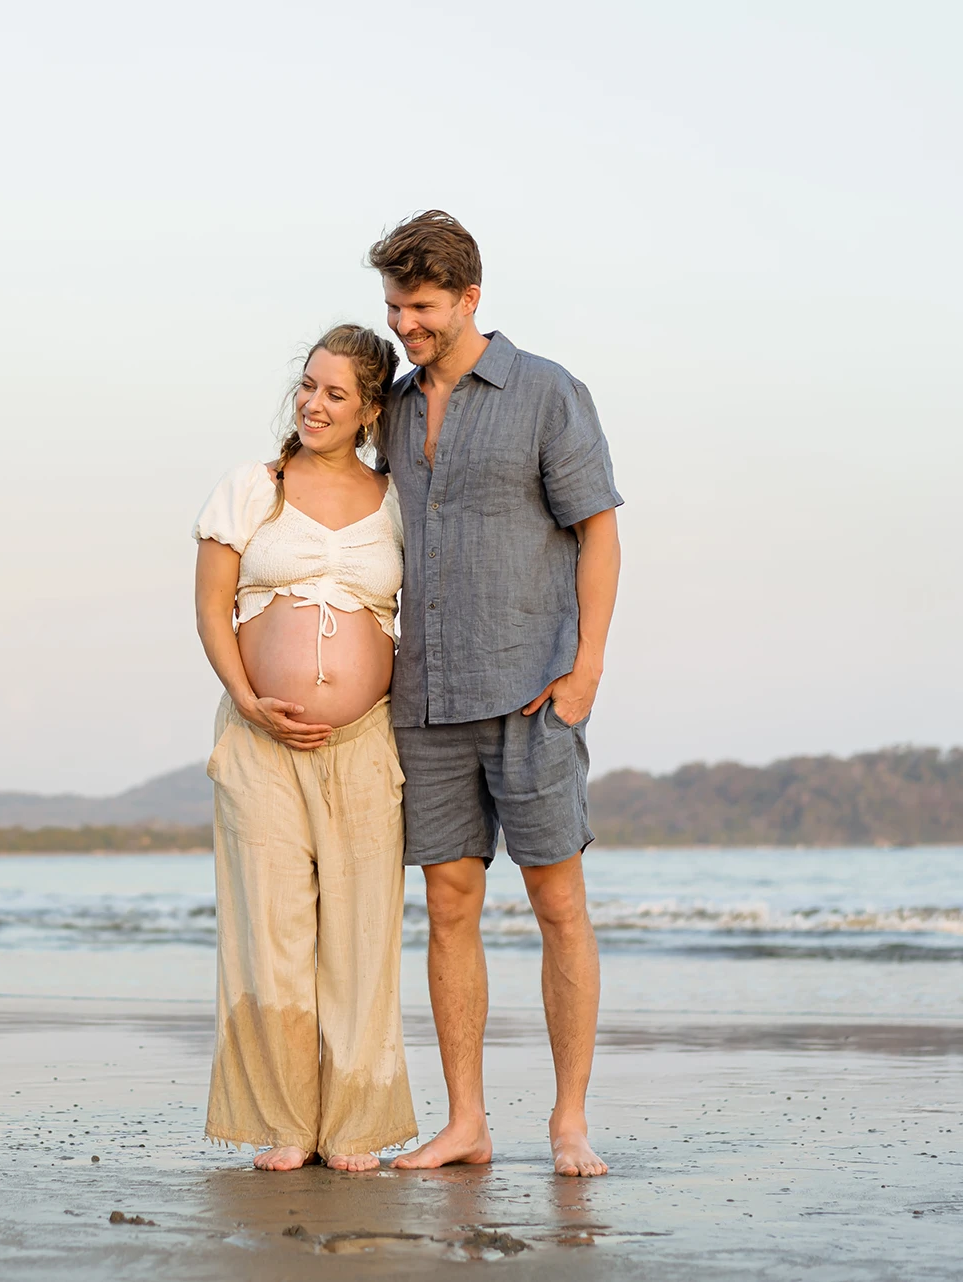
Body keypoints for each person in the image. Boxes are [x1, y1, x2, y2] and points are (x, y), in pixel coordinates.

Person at [367, 211, 623, 1179]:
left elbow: (598, 529)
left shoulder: (547, 392)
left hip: (530, 691)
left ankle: (568, 1122)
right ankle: (466, 1119)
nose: (406, 325)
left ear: (470, 298)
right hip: (425, 700)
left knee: (559, 903)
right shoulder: (390, 408)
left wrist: (585, 668)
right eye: (395, 306)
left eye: (422, 306)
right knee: (449, 905)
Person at [193, 323, 419, 1172]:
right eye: (308, 386)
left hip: (365, 741)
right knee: (273, 926)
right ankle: (286, 1123)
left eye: (336, 394)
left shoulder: (400, 497)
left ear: (369, 410)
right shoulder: (254, 487)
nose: (314, 404)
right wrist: (250, 701)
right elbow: (214, 609)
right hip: (260, 741)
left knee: (362, 930)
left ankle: (356, 1122)